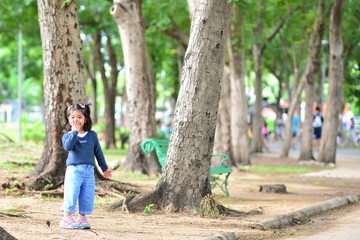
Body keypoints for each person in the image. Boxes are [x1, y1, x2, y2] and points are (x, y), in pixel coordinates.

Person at [60, 103, 113, 229]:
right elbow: (68, 147)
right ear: (69, 119)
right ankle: (66, 217)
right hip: (74, 170)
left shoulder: (92, 135)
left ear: (85, 119)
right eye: (72, 117)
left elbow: (98, 152)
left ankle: (81, 218)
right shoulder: (68, 135)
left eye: (79, 117)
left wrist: (104, 168)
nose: (75, 120)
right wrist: (74, 132)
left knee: (87, 194)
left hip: (89, 171)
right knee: (71, 193)